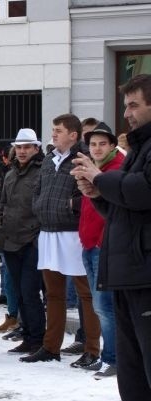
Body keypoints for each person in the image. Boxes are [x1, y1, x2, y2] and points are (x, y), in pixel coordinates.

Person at [71, 73, 151, 401]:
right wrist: (98, 192)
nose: (128, 113)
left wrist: (102, 178)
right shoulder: (138, 148)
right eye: (126, 105)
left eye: (134, 105)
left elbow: (142, 192)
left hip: (146, 274)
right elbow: (124, 208)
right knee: (133, 371)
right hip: (126, 273)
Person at [20, 114, 100, 366]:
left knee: (85, 293)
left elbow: (90, 195)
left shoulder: (82, 159)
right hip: (48, 231)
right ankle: (50, 346)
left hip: (73, 232)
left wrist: (67, 206)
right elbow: (38, 189)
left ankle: (92, 349)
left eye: (58, 130)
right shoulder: (49, 159)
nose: (53, 134)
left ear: (73, 134)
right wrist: (40, 205)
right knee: (53, 294)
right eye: (53, 130)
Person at [74, 122, 125, 379]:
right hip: (89, 244)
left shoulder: (114, 170)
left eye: (102, 144)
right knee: (99, 305)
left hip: (103, 246)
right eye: (93, 144)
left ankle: (113, 359)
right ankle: (108, 356)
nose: (96, 148)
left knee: (105, 306)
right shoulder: (92, 169)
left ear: (113, 146)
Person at [0, 129, 46, 355]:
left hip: (31, 242)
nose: (22, 151)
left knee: (30, 292)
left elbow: (43, 206)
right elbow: (3, 205)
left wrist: (36, 237)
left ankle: (37, 339)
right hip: (10, 241)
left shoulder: (43, 171)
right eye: (19, 147)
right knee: (18, 292)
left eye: (27, 147)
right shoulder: (10, 174)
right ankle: (27, 337)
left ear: (36, 148)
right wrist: (2, 229)